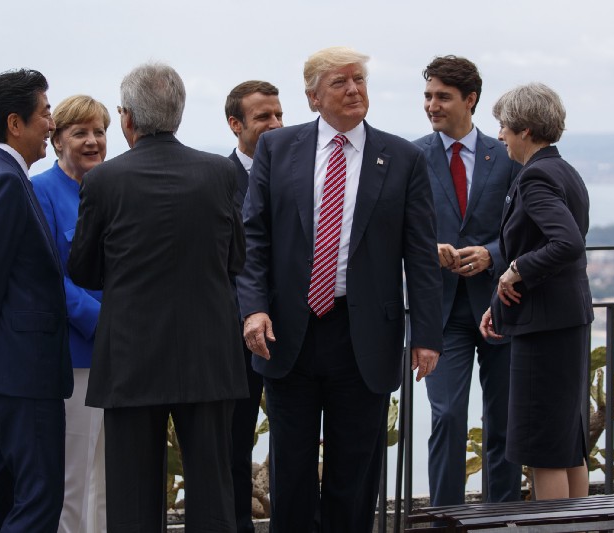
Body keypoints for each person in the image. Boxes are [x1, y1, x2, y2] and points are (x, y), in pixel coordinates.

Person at [237, 46, 443, 533]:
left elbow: (420, 253)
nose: (354, 90)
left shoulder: (402, 157)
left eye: (359, 80)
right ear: (313, 97)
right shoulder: (277, 148)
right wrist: (253, 309)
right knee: (291, 471)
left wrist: (428, 334)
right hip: (289, 334)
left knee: (354, 475)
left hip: (364, 336)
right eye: (340, 82)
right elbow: (254, 239)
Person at [67, 63, 248, 532]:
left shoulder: (103, 181)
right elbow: (236, 259)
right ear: (180, 113)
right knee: (213, 495)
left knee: (131, 499)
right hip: (208, 352)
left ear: (126, 119)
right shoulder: (220, 173)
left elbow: (83, 269)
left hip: (130, 354)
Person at [0, 68, 72, 532]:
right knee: (38, 499)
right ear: (14, 123)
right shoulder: (6, 180)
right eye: (46, 113)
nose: (51, 123)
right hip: (22, 374)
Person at [415, 55, 522, 506]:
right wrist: (429, 248)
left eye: (442, 96)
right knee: (447, 417)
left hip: (499, 305)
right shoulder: (411, 155)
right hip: (441, 313)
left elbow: (525, 226)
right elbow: (395, 230)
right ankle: (444, 519)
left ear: (470, 99)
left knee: (503, 421)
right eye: (427, 95)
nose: (431, 105)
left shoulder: (507, 156)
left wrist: (492, 254)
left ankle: (500, 518)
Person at [480, 82, 593, 500]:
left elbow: (566, 243)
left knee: (545, 447)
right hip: (565, 321)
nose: (500, 135)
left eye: (504, 126)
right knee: (567, 444)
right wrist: (497, 303)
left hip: (544, 330)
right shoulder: (564, 170)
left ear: (525, 130)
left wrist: (514, 272)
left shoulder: (536, 177)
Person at [32, 94, 110, 533]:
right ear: (57, 138)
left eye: (99, 131)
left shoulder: (111, 187)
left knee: (108, 478)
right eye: (80, 132)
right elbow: (45, 277)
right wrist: (102, 321)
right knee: (72, 478)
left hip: (119, 357)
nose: (92, 141)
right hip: (73, 356)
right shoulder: (39, 191)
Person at [224, 80, 283, 533]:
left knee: (294, 442)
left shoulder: (299, 173)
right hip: (234, 335)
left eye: (279, 115)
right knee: (234, 443)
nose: (276, 124)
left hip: (293, 333)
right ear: (235, 125)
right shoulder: (220, 180)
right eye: (264, 117)